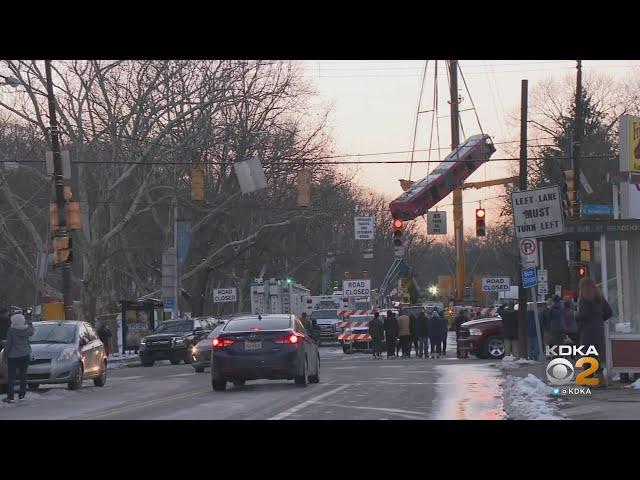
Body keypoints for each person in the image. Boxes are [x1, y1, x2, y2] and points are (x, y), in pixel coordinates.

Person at [577, 278, 612, 377]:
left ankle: (588, 377)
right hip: (599, 329)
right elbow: (609, 312)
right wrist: (600, 319)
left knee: (588, 353)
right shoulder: (600, 297)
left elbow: (584, 314)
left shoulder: (584, 299)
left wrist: (576, 316)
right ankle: (599, 375)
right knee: (596, 353)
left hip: (588, 330)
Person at [3, 313, 34, 403]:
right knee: (23, 376)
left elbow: (8, 344)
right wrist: (30, 323)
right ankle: (22, 395)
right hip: (25, 355)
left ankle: (10, 397)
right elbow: (32, 332)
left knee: (11, 377)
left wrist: (5, 354)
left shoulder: (11, 330)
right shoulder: (27, 329)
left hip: (13, 356)